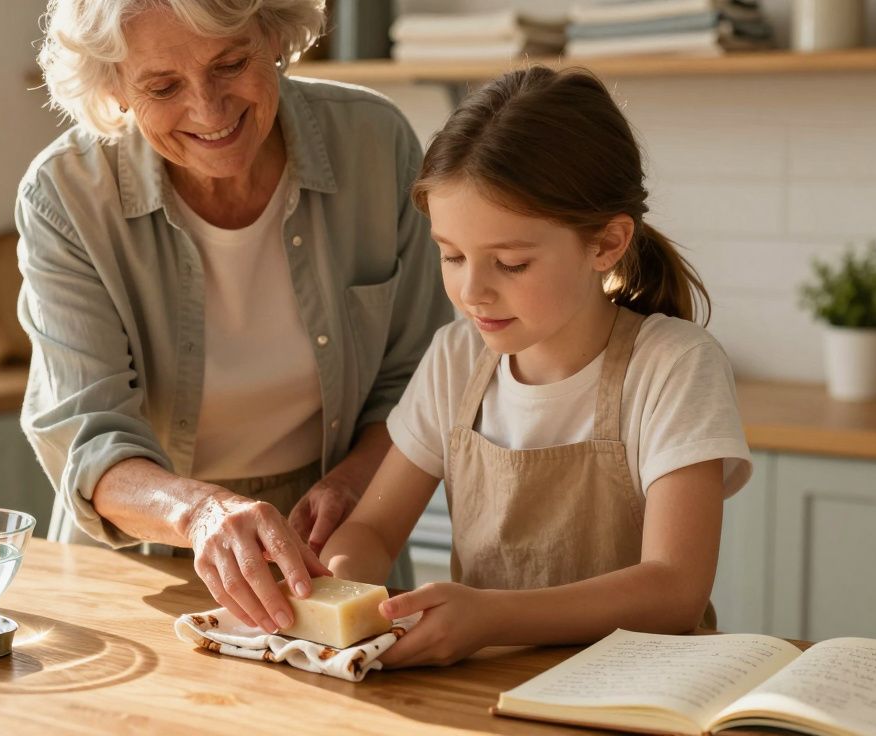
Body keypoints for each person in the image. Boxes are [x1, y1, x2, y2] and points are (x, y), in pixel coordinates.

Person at [16, 0, 452, 636]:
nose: (209, 109)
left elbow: (419, 377)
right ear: (115, 87)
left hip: (333, 544)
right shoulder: (66, 194)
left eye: (230, 64)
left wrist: (356, 484)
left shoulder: (373, 142)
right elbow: (89, 442)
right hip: (145, 551)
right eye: (163, 86)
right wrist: (200, 514)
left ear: (272, 35)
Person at [321, 66, 753, 668]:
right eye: (451, 256)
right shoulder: (454, 359)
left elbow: (675, 590)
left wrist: (491, 617)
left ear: (606, 243)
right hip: (484, 687)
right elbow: (372, 530)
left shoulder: (673, 366)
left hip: (640, 689)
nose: (472, 292)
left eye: (511, 263)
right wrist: (337, 587)